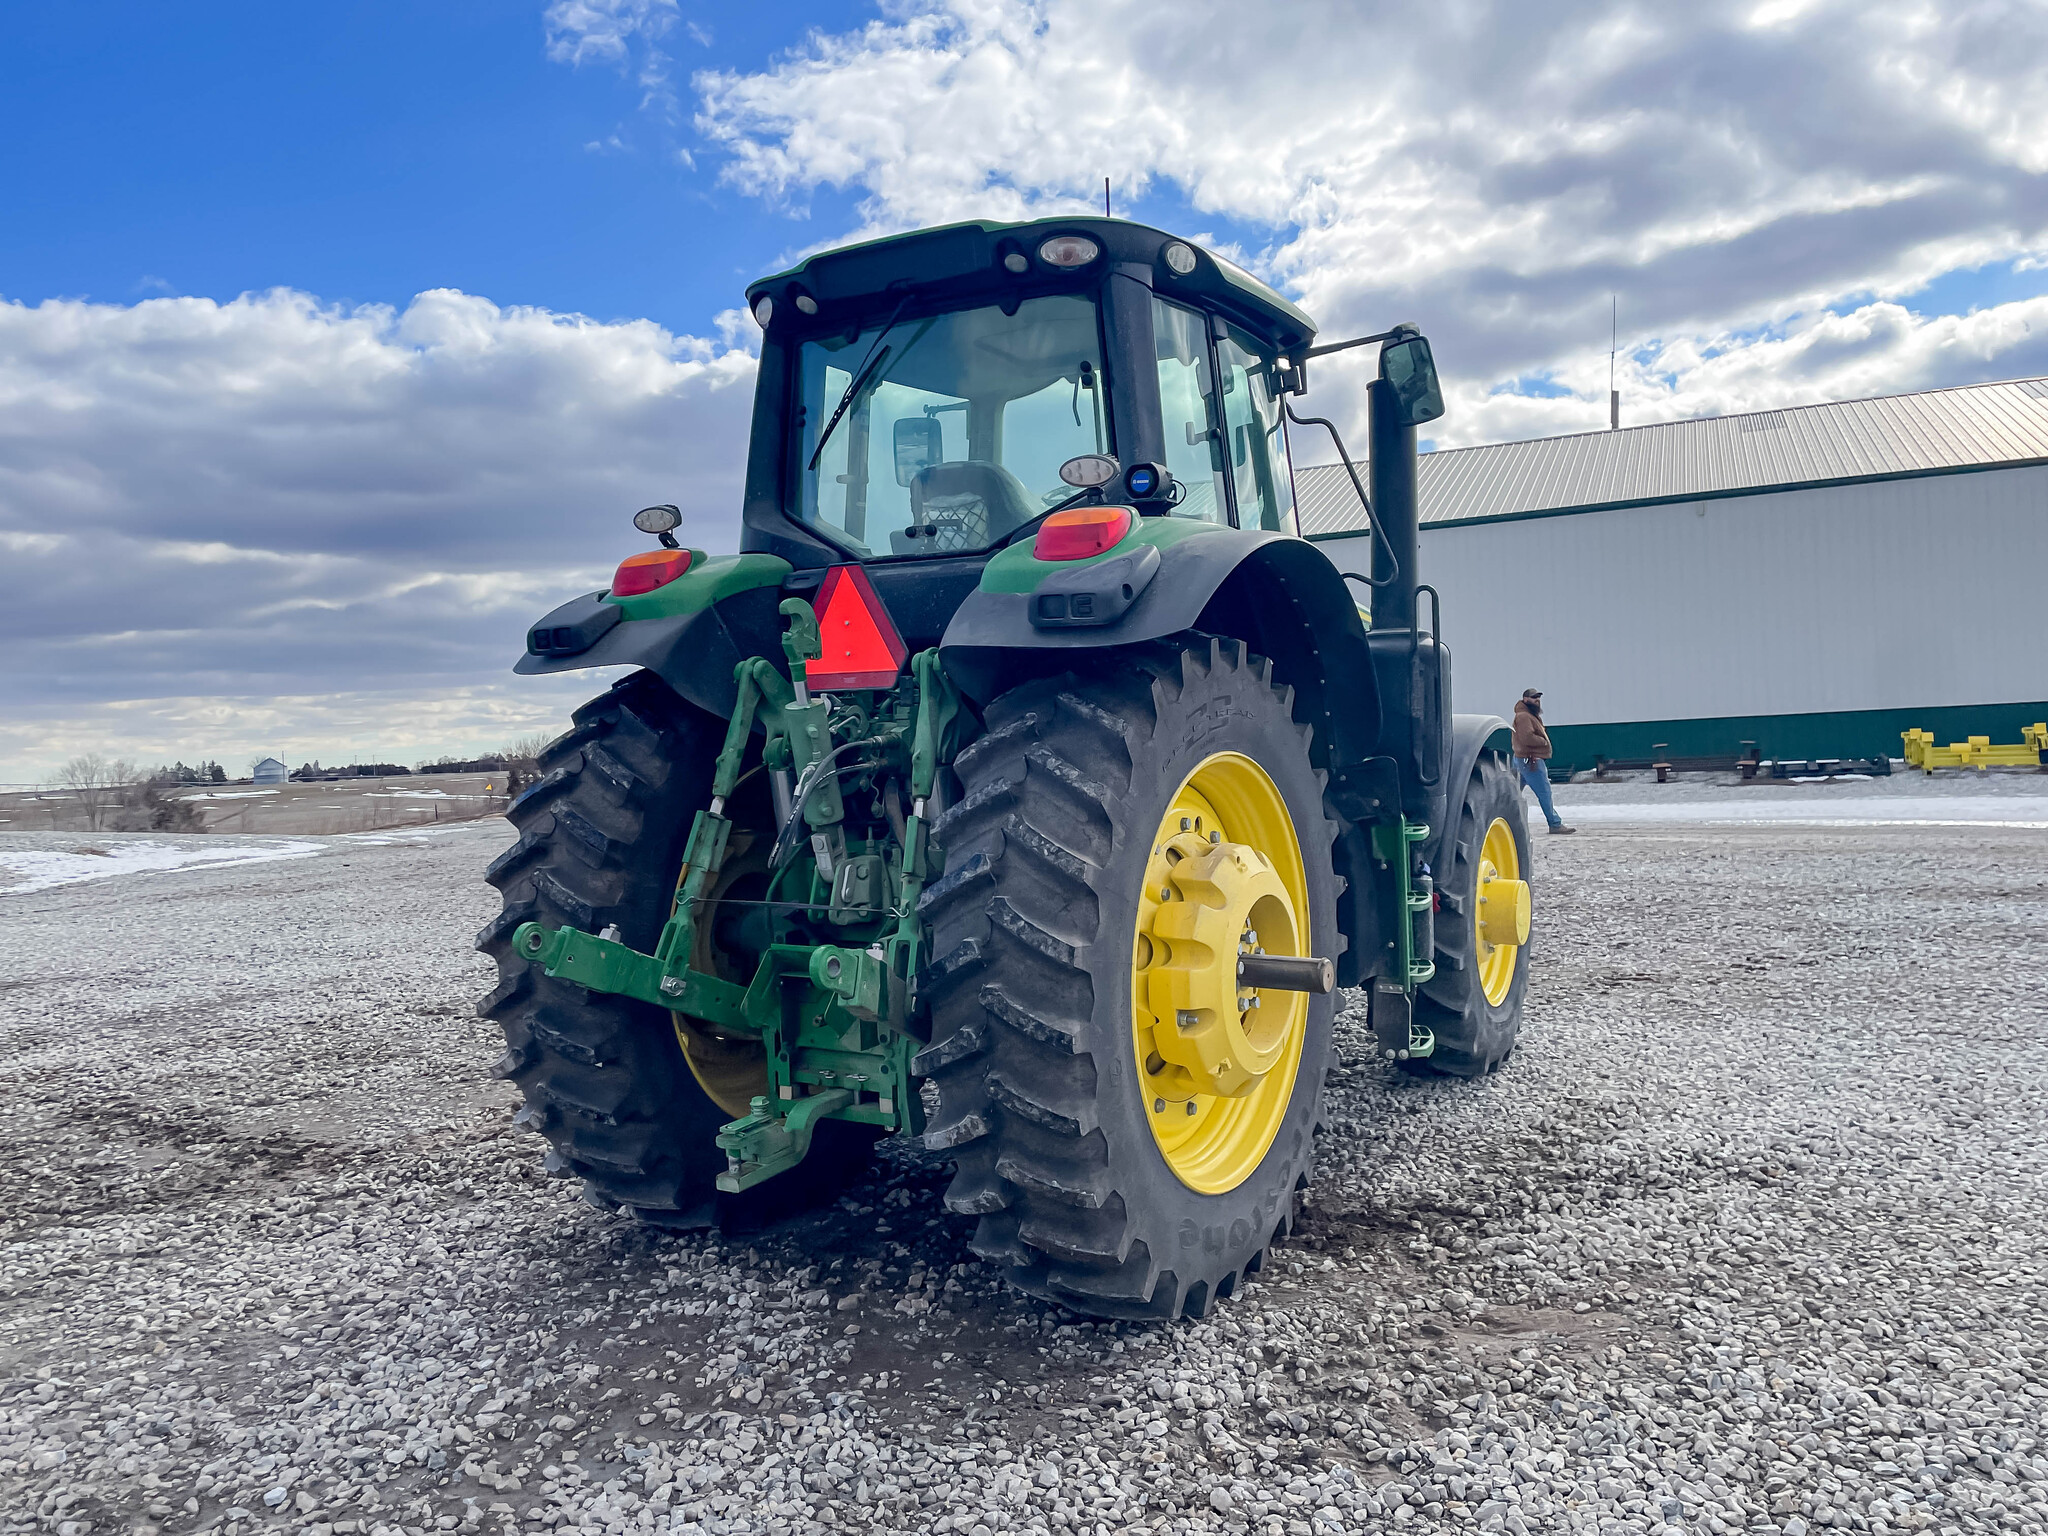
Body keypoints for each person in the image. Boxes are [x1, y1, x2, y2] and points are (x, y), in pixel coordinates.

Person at [1512, 689, 1575, 834]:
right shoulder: (1524, 717)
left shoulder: (1527, 715)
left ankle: (1507, 821)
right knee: (1544, 792)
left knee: (1513, 793)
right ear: (1525, 699)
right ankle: (1555, 824)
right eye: (1534, 697)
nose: (1537, 700)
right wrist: (1544, 742)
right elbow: (1527, 737)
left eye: (1538, 697)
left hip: (1524, 759)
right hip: (1530, 760)